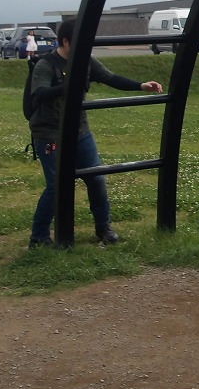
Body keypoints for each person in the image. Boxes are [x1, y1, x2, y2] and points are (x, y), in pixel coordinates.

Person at [27, 17, 162, 248]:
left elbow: (110, 78)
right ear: (66, 42)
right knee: (57, 185)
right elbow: (39, 93)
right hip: (50, 132)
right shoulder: (47, 64)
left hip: (79, 130)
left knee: (96, 178)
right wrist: (69, 86)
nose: (86, 47)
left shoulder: (86, 62)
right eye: (81, 41)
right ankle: (38, 237)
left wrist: (141, 85)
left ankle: (103, 227)